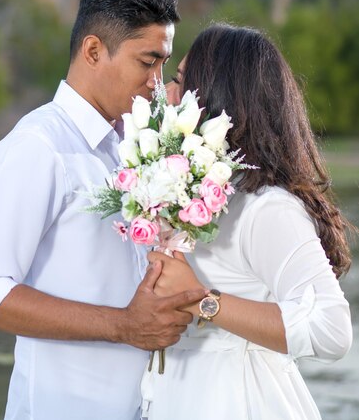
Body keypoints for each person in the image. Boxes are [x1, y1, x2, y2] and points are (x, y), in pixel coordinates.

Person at [0, 0, 206, 420]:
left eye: (163, 64)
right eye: (148, 61)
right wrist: (124, 326)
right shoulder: (38, 147)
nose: (156, 81)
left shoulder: (140, 143)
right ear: (93, 51)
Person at [142, 23, 354, 420]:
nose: (165, 92)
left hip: (237, 400)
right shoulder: (196, 191)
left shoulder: (266, 208)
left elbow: (333, 330)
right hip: (177, 396)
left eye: (179, 80)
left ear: (216, 96)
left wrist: (201, 300)